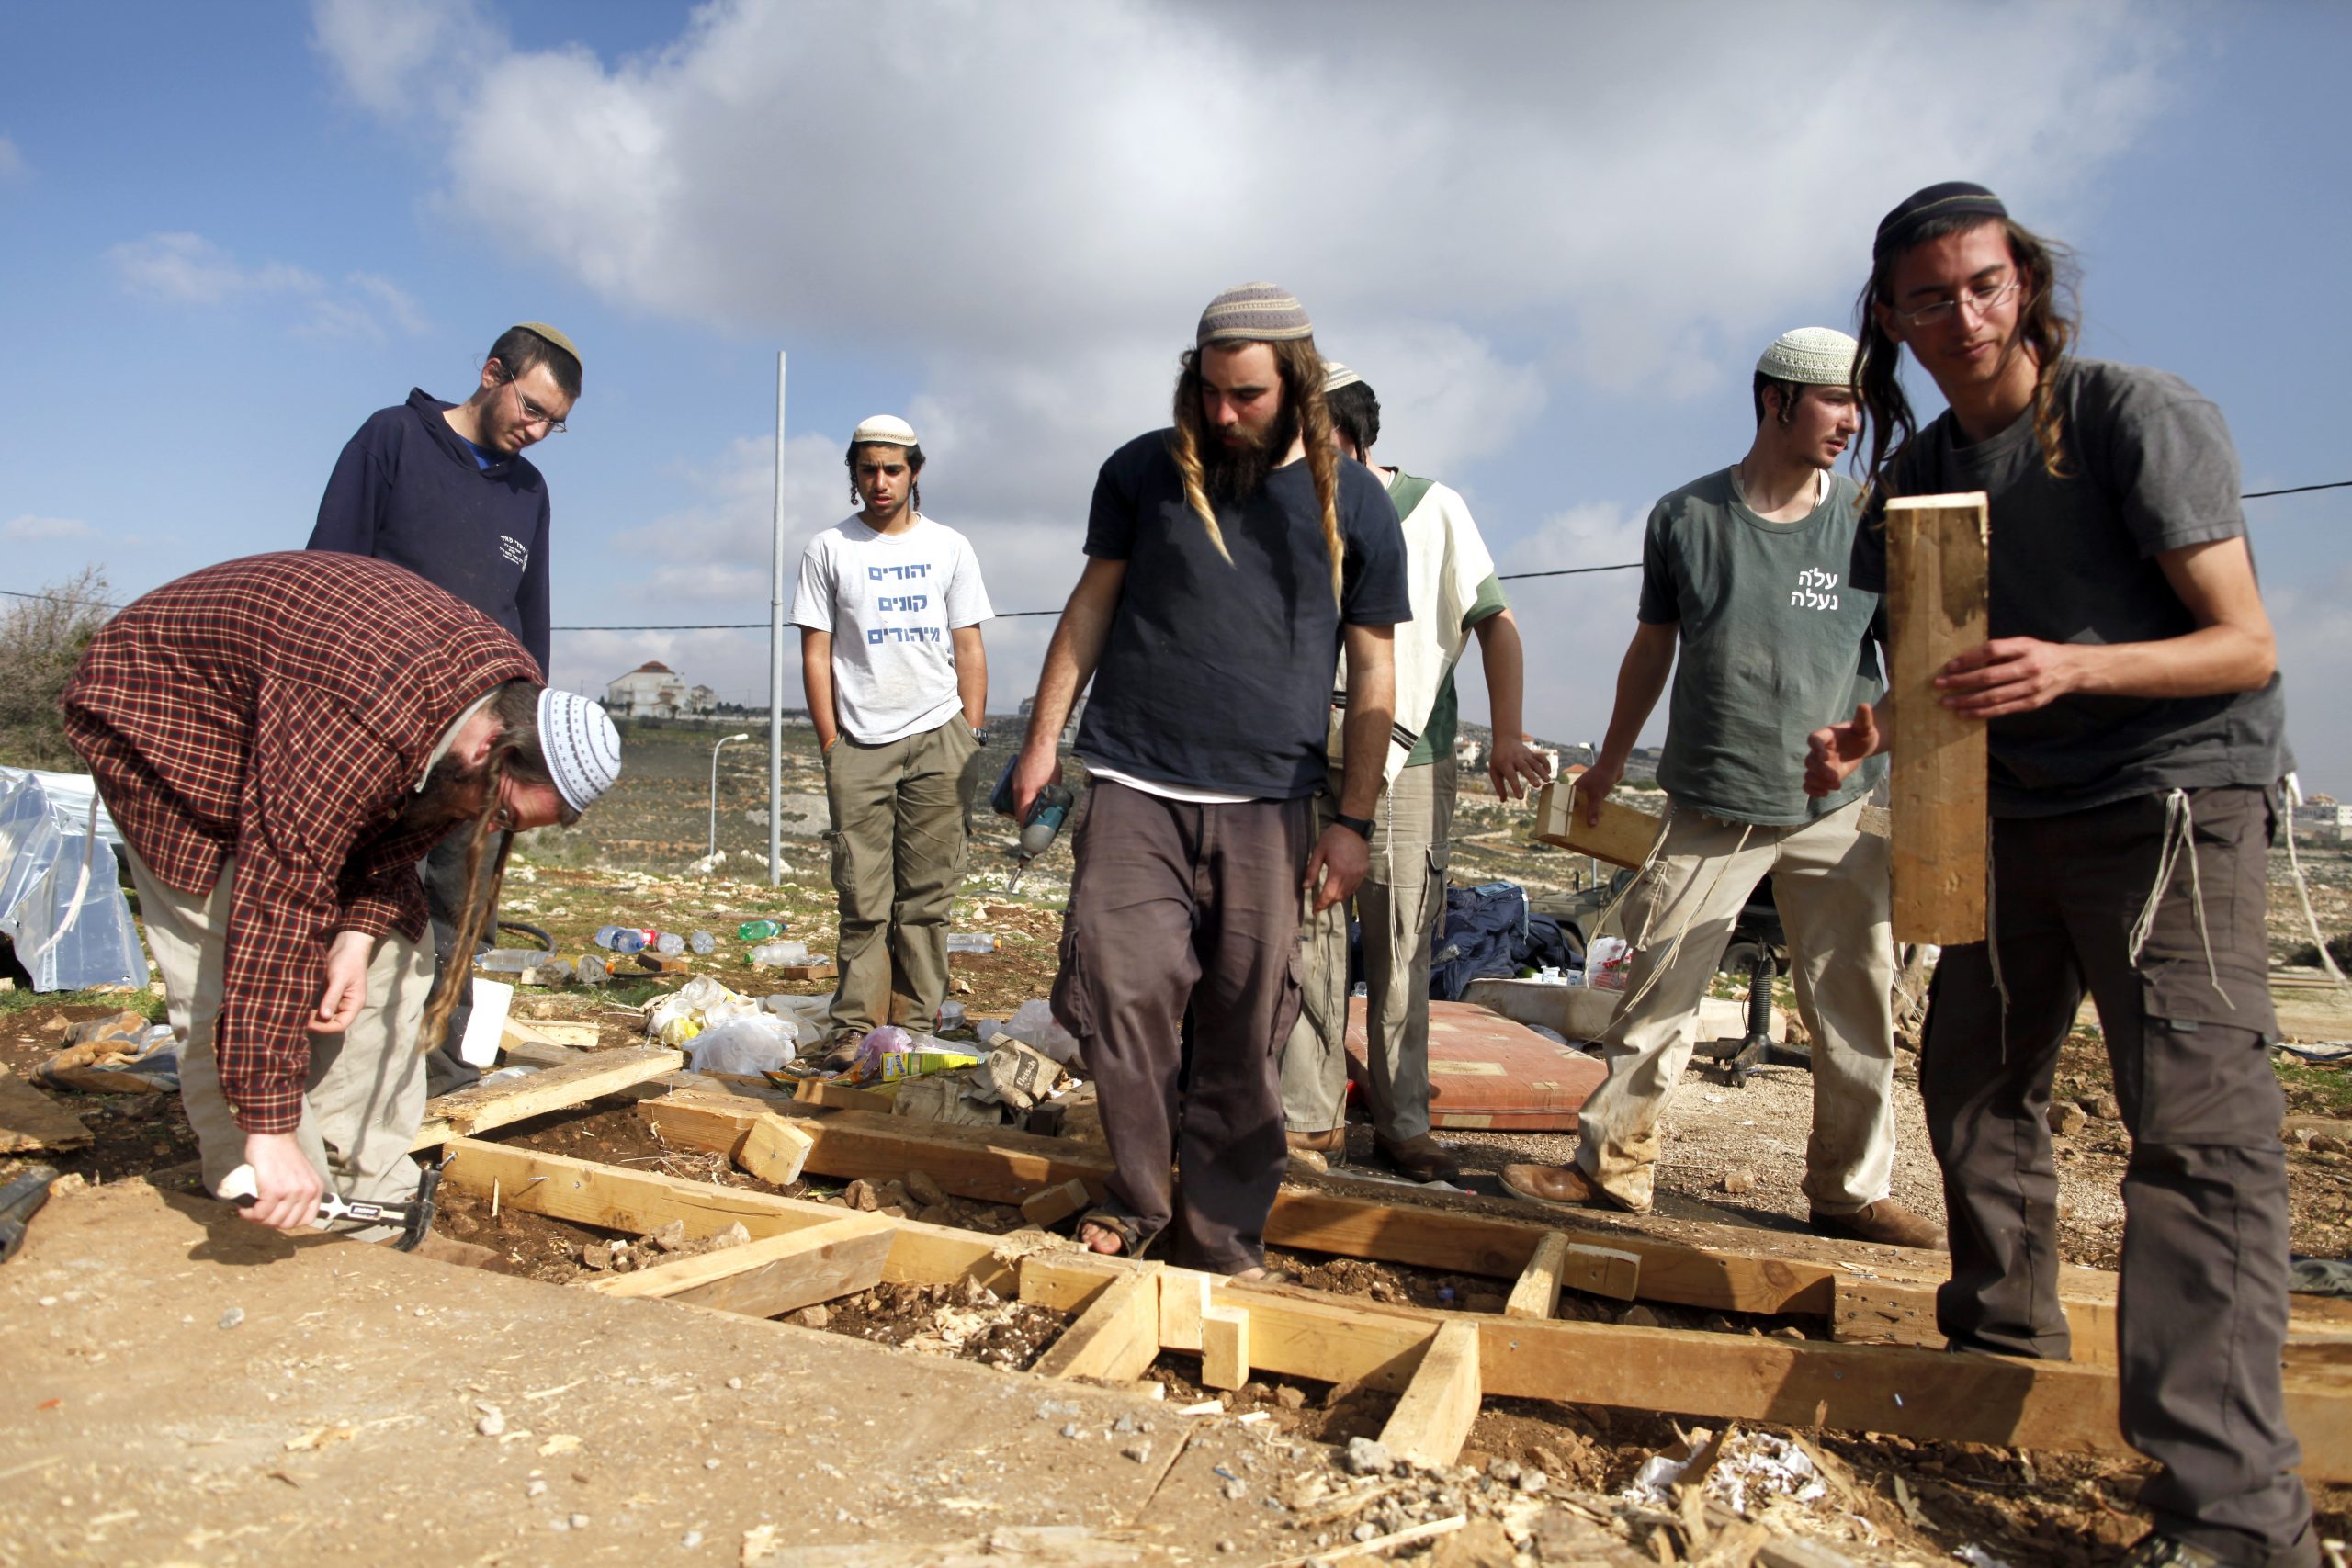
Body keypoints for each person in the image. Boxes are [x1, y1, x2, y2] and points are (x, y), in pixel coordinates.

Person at [1807, 182, 2309, 1568]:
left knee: (2196, 1139)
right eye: (1926, 298)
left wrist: (2076, 665)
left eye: (1982, 285)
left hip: (2168, 806)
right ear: (1891, 321)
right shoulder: (1912, 482)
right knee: (1970, 1075)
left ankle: (2237, 1518)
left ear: (2021, 284)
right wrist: (1868, 728)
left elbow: (2246, 645)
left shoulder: (2127, 419)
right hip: (2012, 809)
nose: (1959, 318)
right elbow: (1941, 666)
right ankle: (2007, 1345)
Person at [1498, 328, 1942, 1250]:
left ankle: (1851, 1193)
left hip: (1838, 809)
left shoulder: (1868, 519)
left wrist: (1890, 761)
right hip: (1710, 797)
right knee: (1655, 993)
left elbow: (1914, 660)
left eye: (1858, 405)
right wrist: (1612, 759)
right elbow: (1651, 647)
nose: (1851, 422)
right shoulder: (1686, 518)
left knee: (1853, 1007)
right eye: (1834, 401)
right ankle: (1609, 1170)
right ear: (1776, 400)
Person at [1012, 283, 1408, 1277]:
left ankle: (1221, 1234)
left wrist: (1351, 817)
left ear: (1298, 385)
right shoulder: (1140, 471)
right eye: (1209, 392)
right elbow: (1090, 606)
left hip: (1269, 804)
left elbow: (1372, 670)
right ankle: (1139, 1195)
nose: (1224, 415)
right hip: (1135, 782)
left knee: (1242, 1027)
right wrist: (1041, 737)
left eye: (1247, 396)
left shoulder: (1355, 504)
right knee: (1123, 991)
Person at [60, 552, 622, 1252]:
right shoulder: (356, 716)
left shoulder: (500, 704)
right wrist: (265, 1126)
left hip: (300, 722)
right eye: (499, 813)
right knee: (229, 964)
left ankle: (370, 1209)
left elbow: (399, 824)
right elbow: (278, 901)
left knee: (394, 956)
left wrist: (356, 936)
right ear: (489, 749)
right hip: (171, 723)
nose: (489, 828)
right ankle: (268, 1194)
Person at [1277, 360, 1550, 1181]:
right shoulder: (1291, 512)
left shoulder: (1433, 509)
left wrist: (1507, 732)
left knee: (1400, 942)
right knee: (1308, 935)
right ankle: (1309, 1119)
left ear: (1345, 438)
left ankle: (1404, 1123)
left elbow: (1494, 621)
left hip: (1410, 757)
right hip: (1305, 755)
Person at [308, 322, 584, 1095]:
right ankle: (337, 1062)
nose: (537, 430)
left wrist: (526, 730)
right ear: (492, 373)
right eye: (531, 408)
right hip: (382, 721)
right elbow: (330, 568)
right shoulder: (392, 438)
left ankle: (438, 1066)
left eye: (553, 423)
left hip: (486, 729)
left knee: (460, 898)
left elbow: (532, 617)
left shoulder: (530, 491)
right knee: (358, 886)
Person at [793, 415, 992, 1062]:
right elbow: (816, 652)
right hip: (860, 742)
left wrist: (971, 732)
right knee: (862, 894)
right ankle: (855, 1027)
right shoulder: (829, 549)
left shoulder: (950, 547)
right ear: (853, 472)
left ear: (915, 471)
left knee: (928, 896)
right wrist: (831, 744)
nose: (880, 481)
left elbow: (969, 645)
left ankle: (916, 1027)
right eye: (868, 468)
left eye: (893, 469)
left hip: (940, 737)